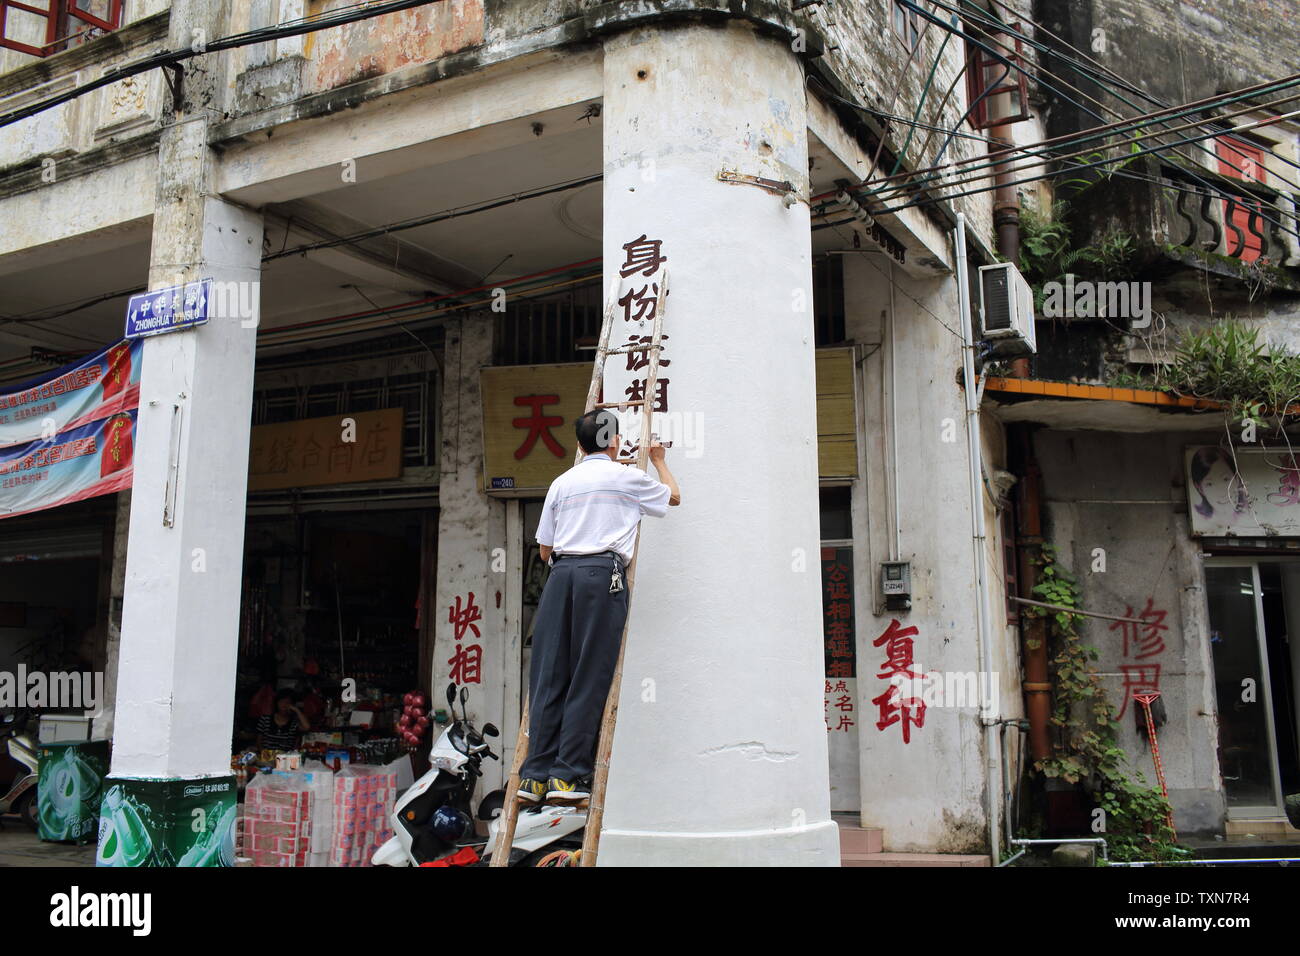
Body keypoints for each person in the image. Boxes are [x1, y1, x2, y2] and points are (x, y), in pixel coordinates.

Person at [518, 409, 681, 803]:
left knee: (549, 675)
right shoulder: (625, 477)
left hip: (560, 577)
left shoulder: (562, 482)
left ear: (578, 444)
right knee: (588, 675)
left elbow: (544, 550)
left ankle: (534, 777)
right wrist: (659, 460)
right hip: (598, 575)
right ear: (613, 442)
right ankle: (568, 778)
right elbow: (673, 496)